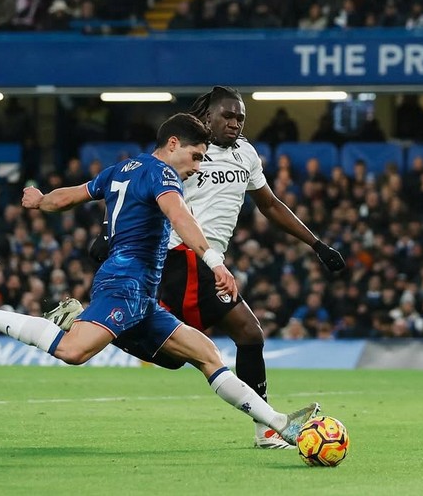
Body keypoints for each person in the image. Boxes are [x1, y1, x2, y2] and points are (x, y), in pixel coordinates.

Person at [0, 113, 319, 446]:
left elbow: (72, 195)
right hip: (126, 283)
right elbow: (181, 218)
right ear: (173, 143)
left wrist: (41, 200)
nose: (197, 166)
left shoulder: (123, 169)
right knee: (73, 352)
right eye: (196, 156)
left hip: (141, 292)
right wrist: (216, 261)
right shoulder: (163, 174)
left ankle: (281, 424)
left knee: (207, 354)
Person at [62, 87, 345, 449]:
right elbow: (137, 189)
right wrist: (111, 234)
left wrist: (316, 243)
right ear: (207, 117)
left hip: (209, 262)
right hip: (179, 256)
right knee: (192, 352)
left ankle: (265, 430)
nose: (234, 123)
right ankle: (92, 325)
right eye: (227, 116)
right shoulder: (189, 153)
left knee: (241, 337)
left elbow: (271, 205)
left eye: (240, 117)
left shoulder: (246, 154)